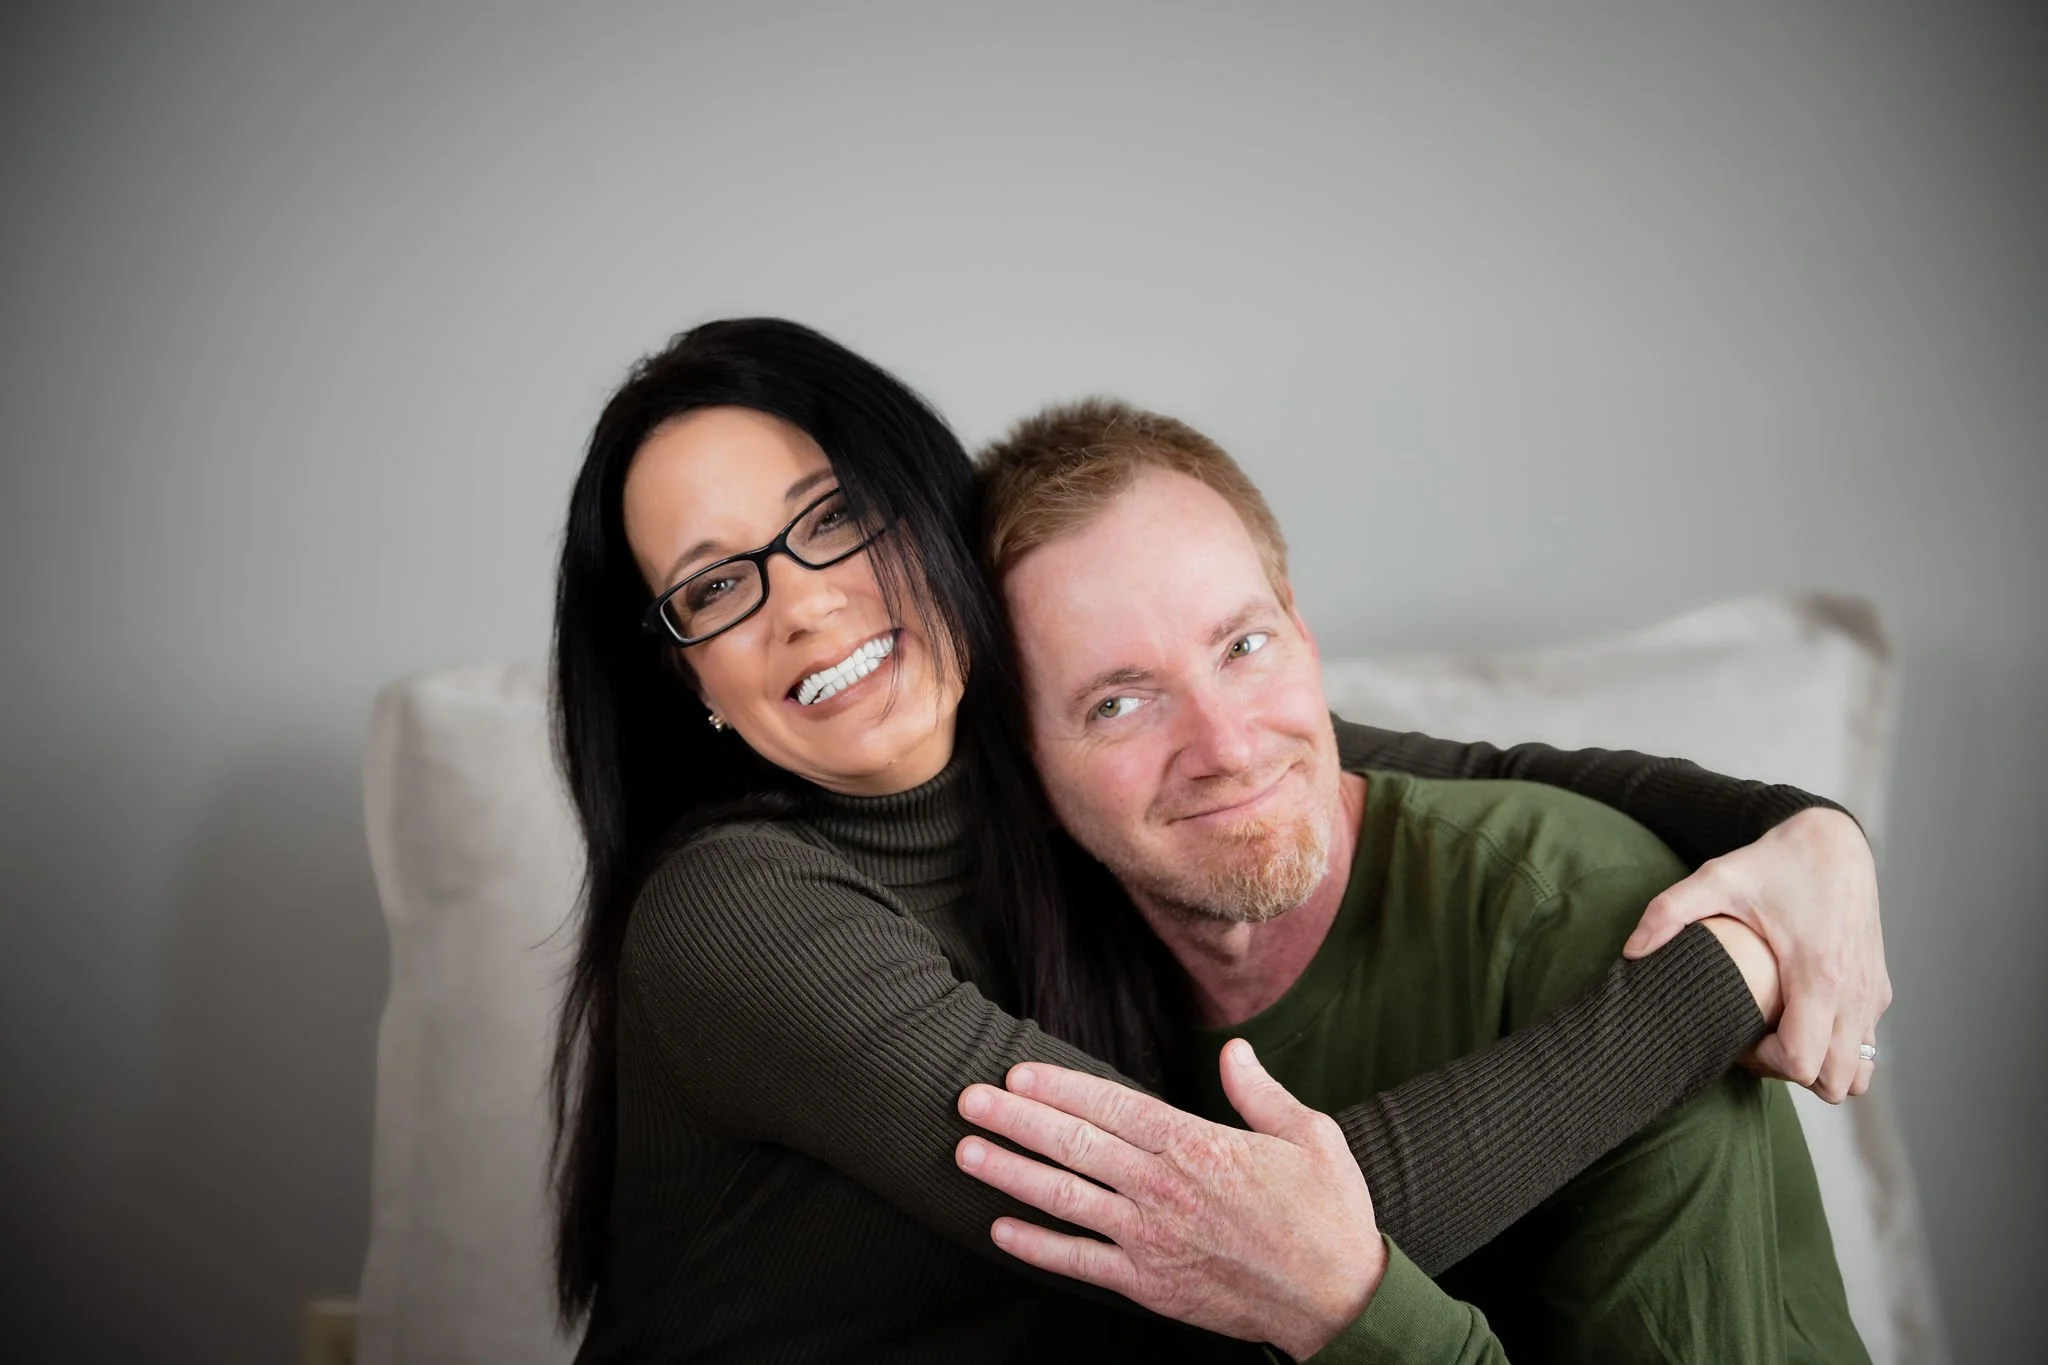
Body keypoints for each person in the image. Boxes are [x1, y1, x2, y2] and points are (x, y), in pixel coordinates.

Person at [548, 318, 1886, 1362]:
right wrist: (1727, 978)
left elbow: (1462, 766)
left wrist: (1810, 840)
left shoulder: (1065, 750)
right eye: (716, 585)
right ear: (686, 681)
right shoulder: (739, 916)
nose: (805, 604)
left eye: (832, 515)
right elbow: (1227, 1239)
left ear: (921, 510)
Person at [954, 399, 1871, 1360]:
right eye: (1120, 702)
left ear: (1304, 635)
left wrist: (1346, 1311)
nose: (1225, 746)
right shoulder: (1020, 981)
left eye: (1243, 646)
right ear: (1022, 760)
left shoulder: (1591, 922)